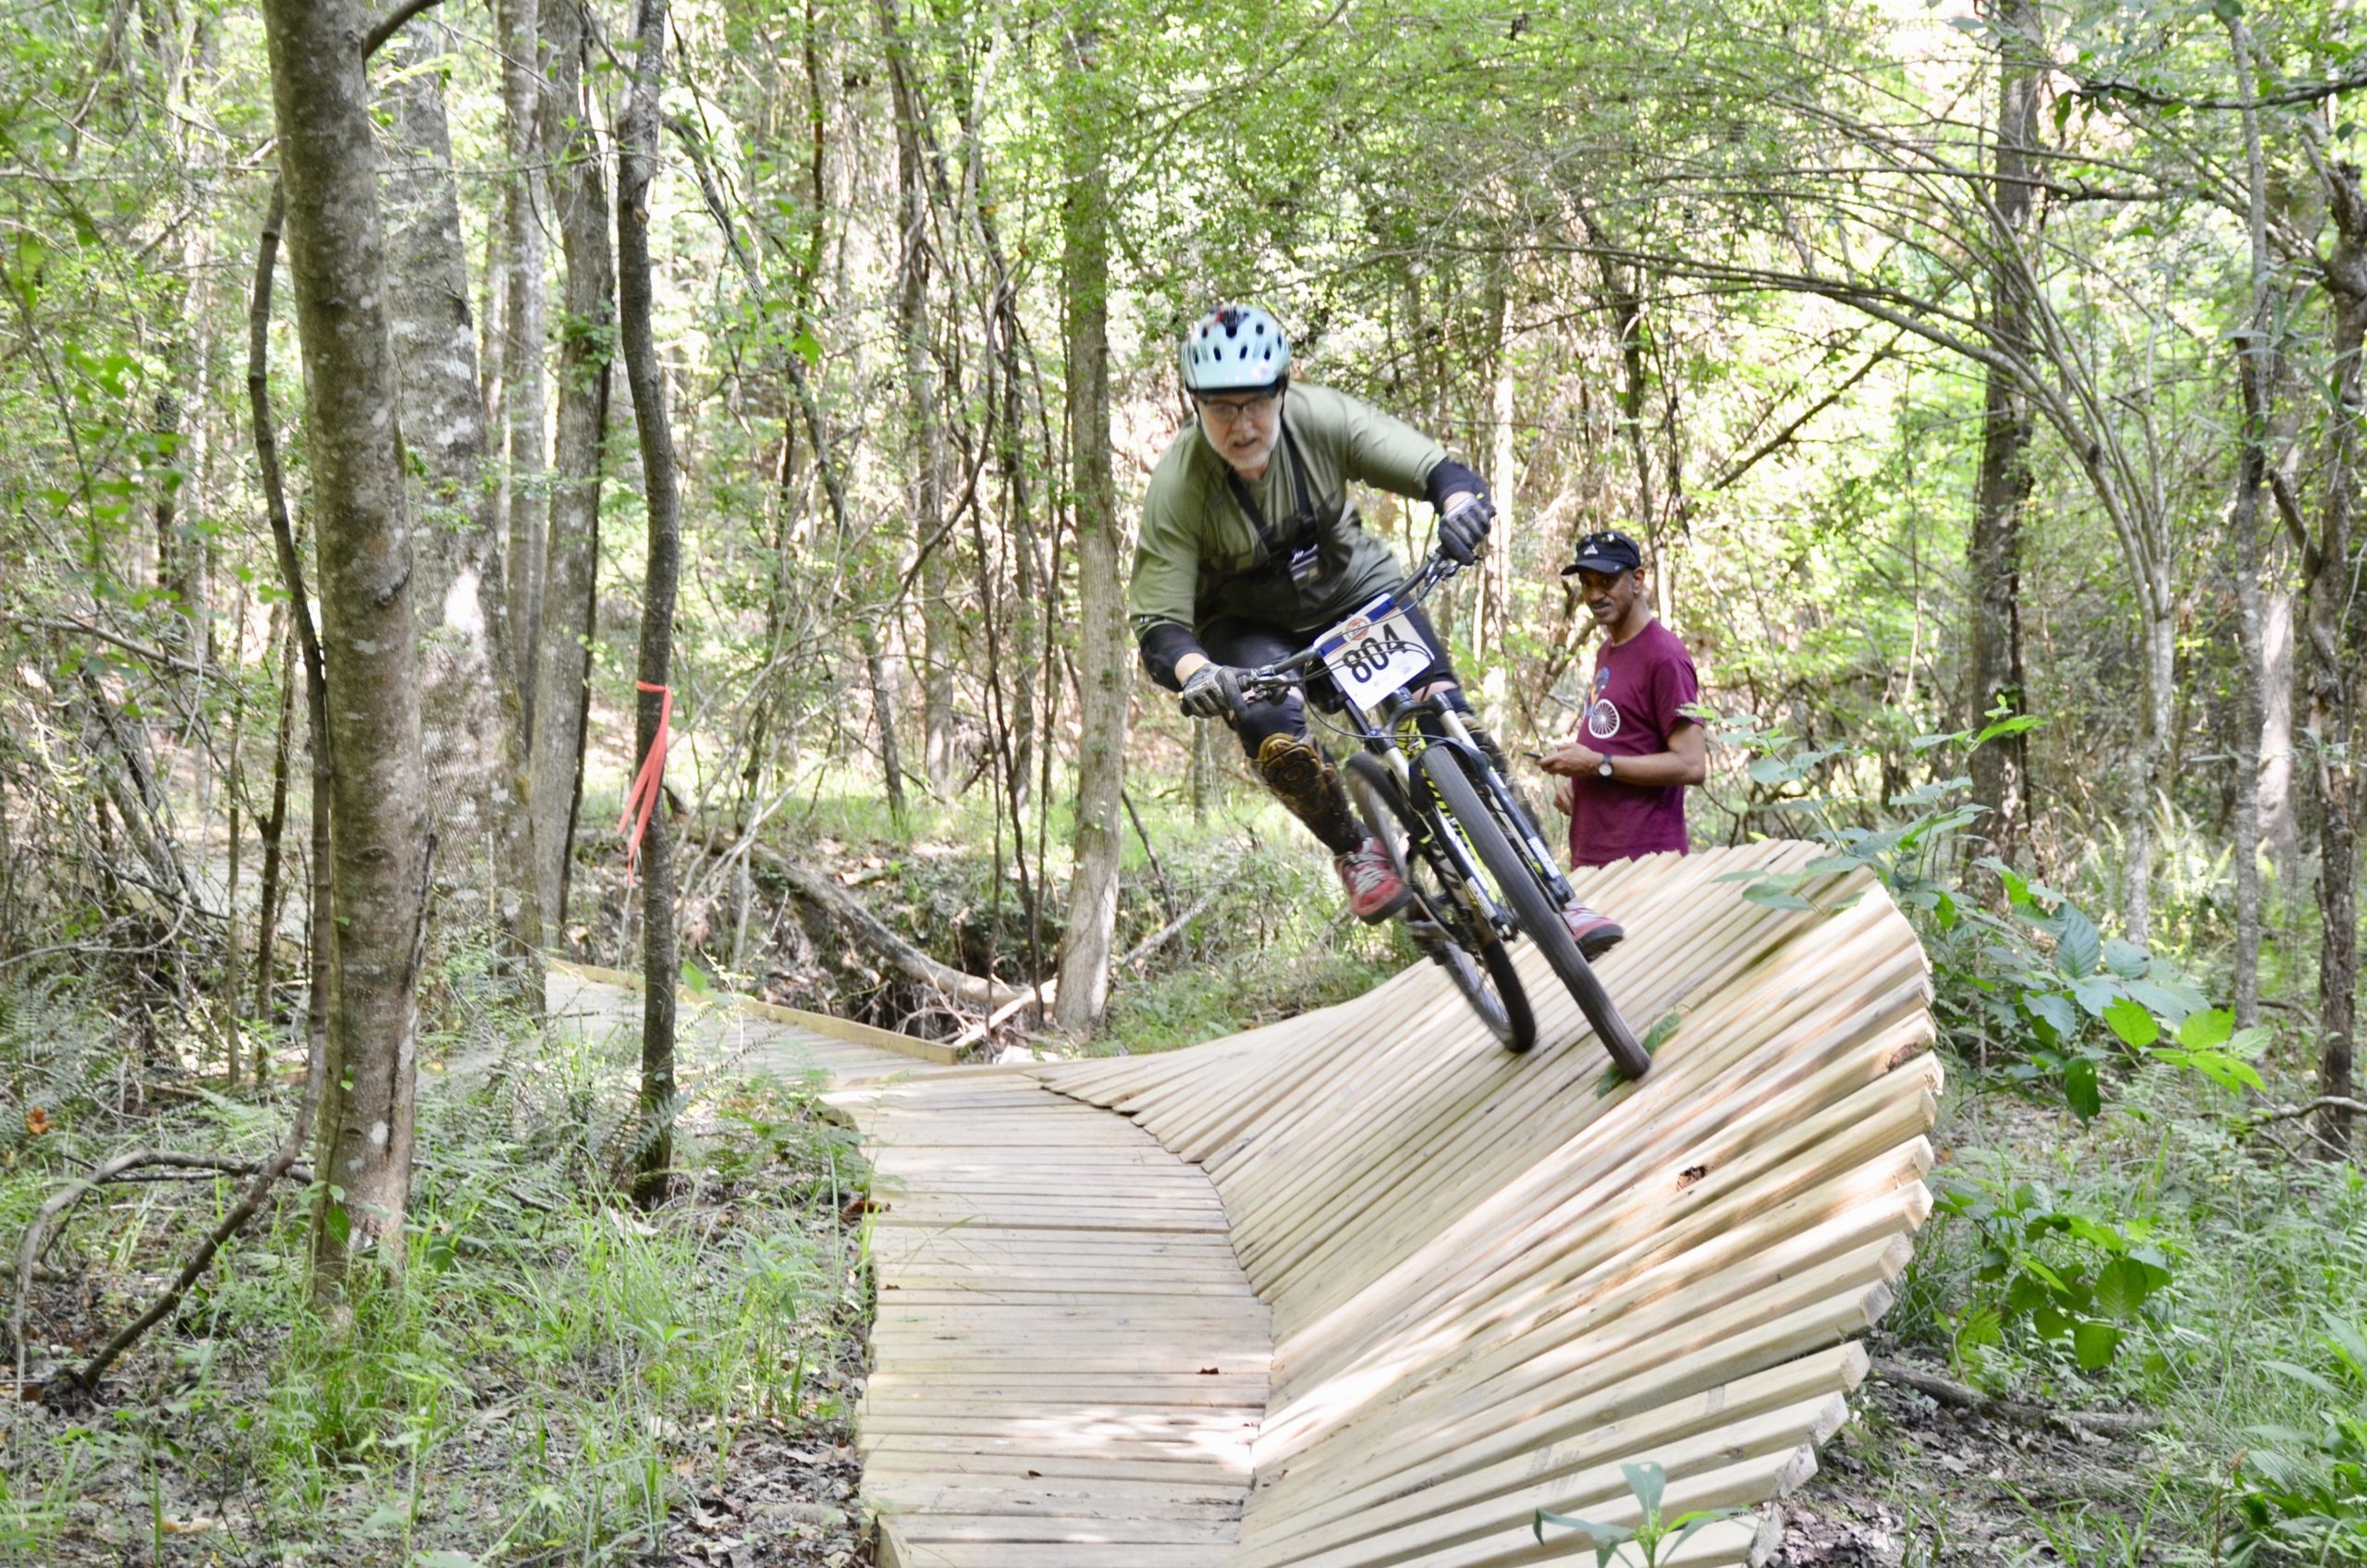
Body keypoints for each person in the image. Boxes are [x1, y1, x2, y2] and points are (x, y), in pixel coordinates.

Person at [1130, 303, 1624, 957]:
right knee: (1272, 729)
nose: (1241, 424)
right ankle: (1354, 848)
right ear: (1196, 408)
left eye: (1255, 403)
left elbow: (1432, 469)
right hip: (1248, 629)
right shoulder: (1179, 484)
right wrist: (1201, 674)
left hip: (1353, 589)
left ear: (1284, 391)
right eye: (1221, 408)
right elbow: (1161, 621)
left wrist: (1460, 508)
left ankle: (1555, 895)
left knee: (1449, 722)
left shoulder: (1322, 417)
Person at [1539, 530, 1707, 868]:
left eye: (1607, 581)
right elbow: (1622, 741)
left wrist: (1596, 764)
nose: (1595, 594)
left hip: (1645, 866)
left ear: (1637, 580)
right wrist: (1579, 785)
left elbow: (1692, 765)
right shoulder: (1607, 650)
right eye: (1587, 583)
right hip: (1594, 859)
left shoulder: (1665, 657)